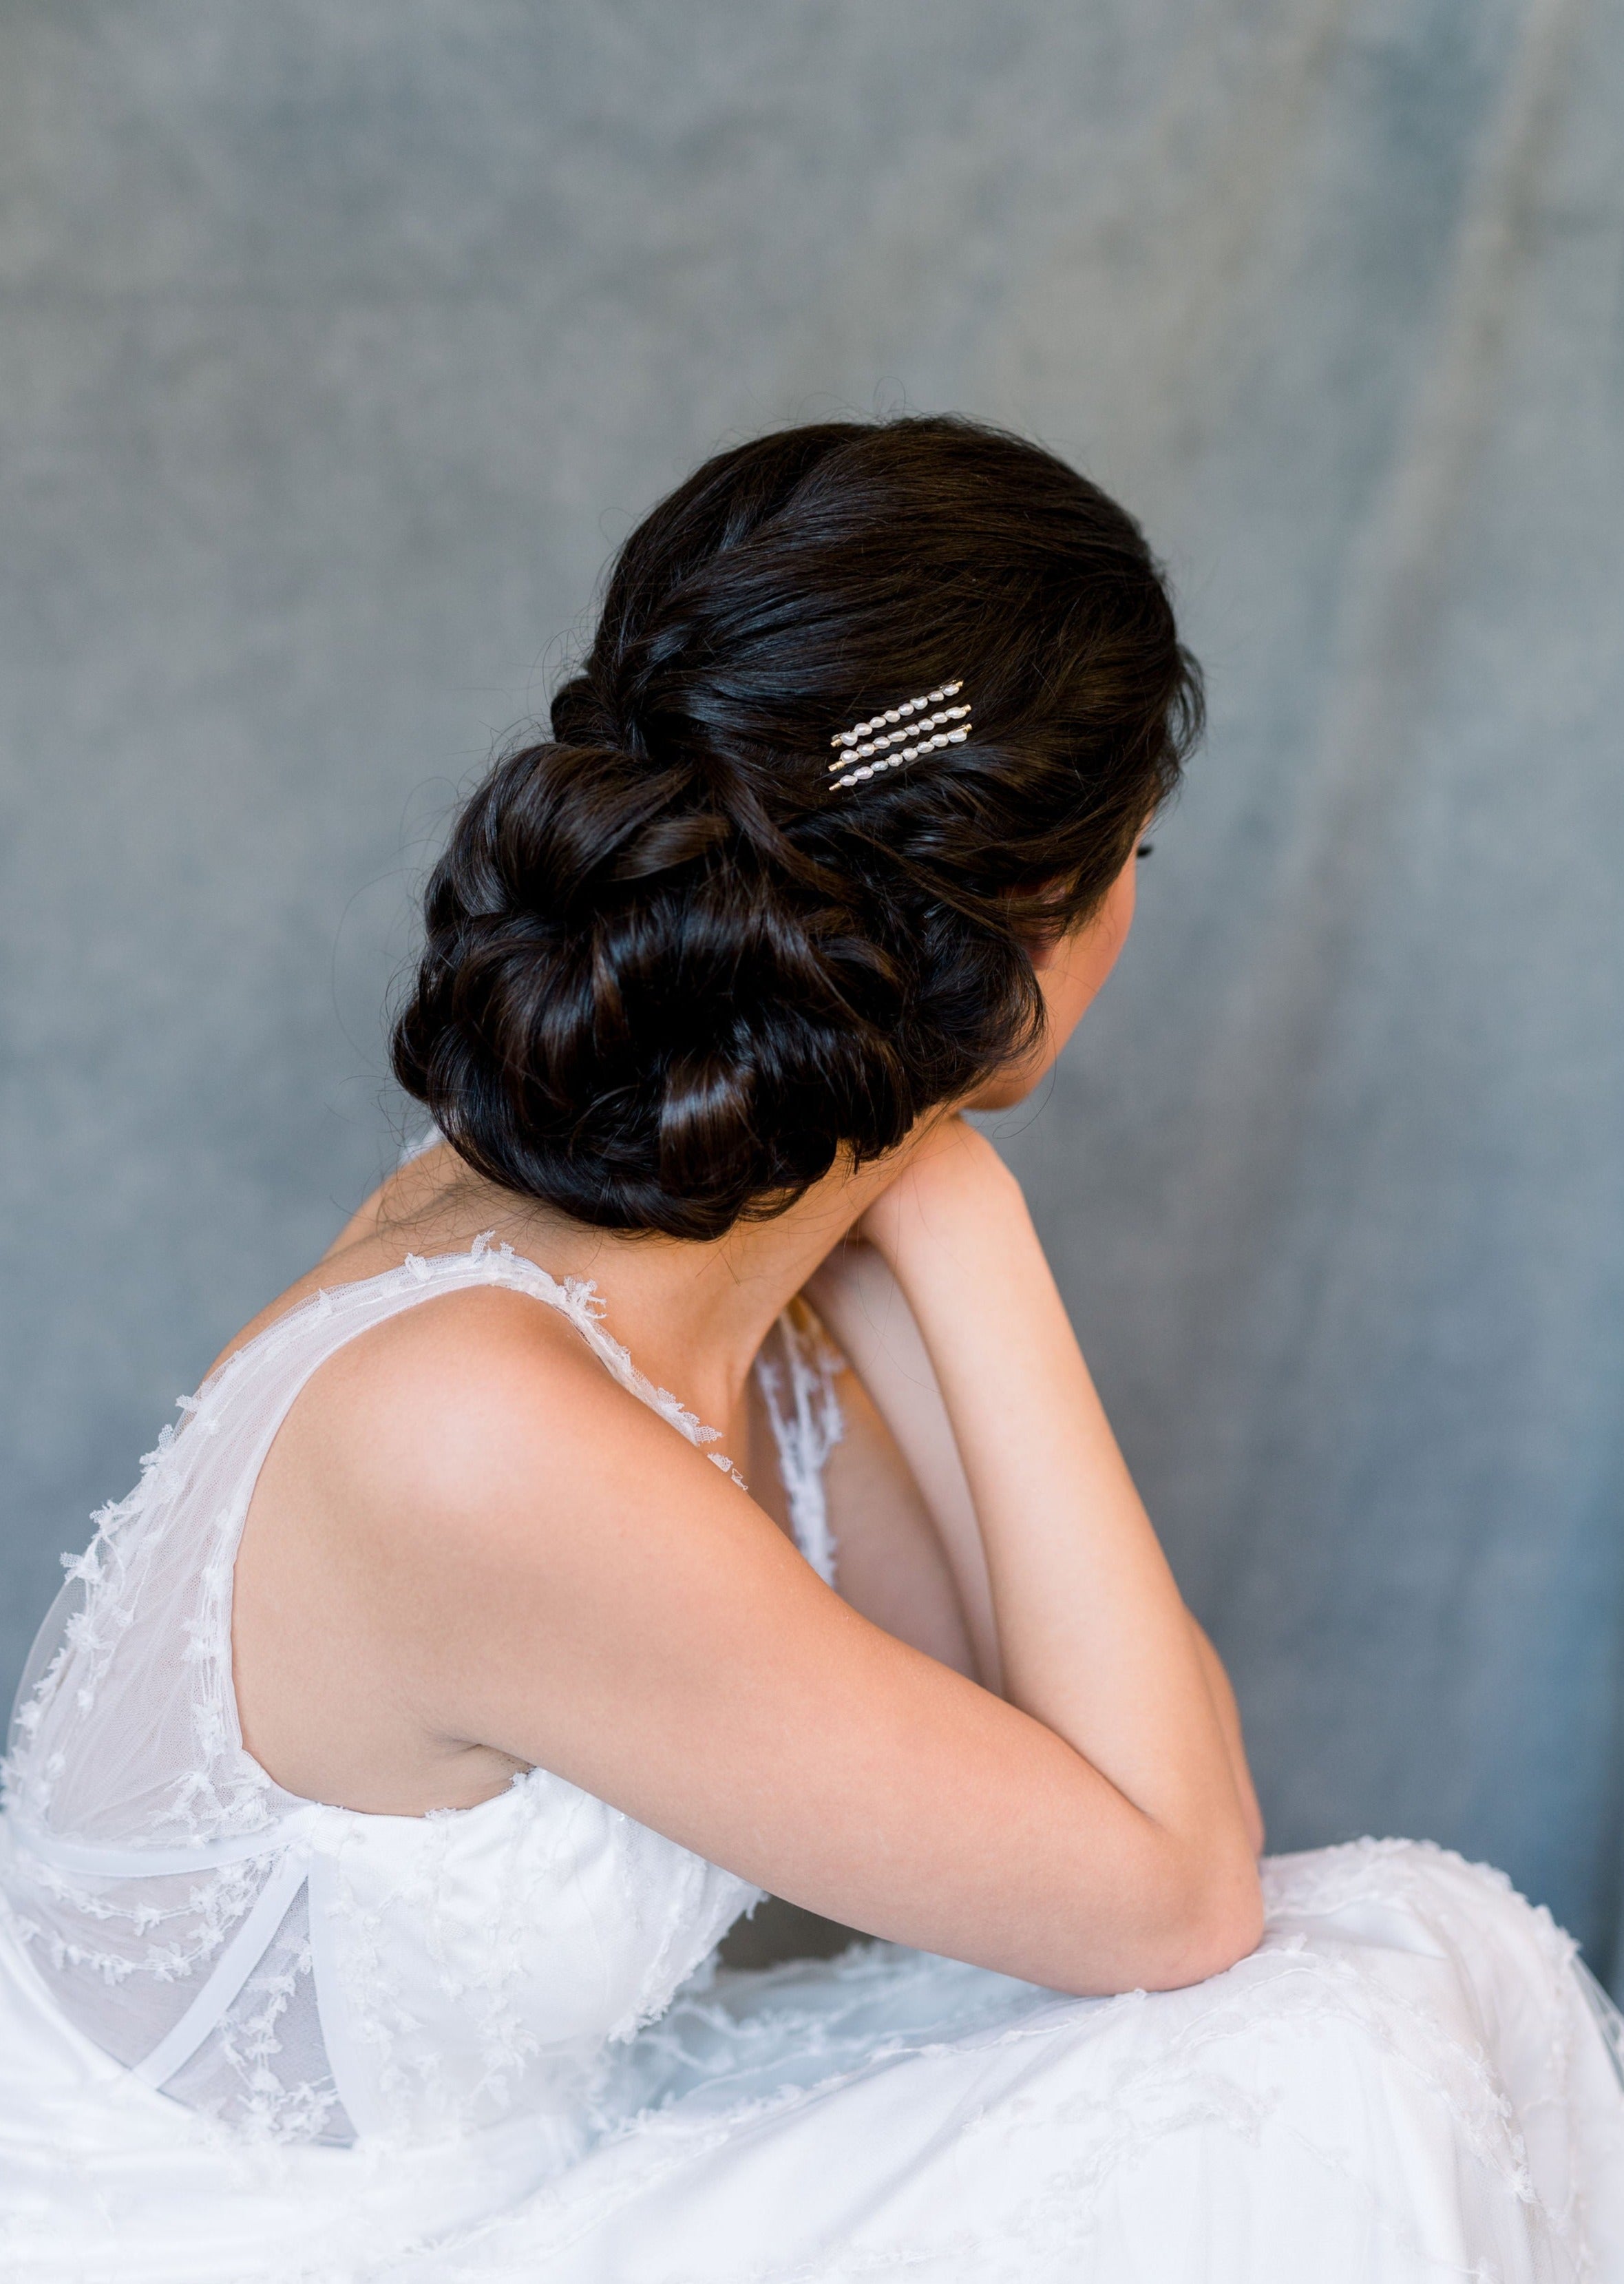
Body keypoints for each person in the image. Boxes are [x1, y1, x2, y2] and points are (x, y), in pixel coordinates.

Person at [2, 417, 1620, 2284]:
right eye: (1137, 849)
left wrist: (920, 1211)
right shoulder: (475, 1430)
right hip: (250, 2253)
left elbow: (1080, 1745)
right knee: (1324, 2061)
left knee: (1405, 1968)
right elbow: (1170, 1894)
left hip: (509, 2184)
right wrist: (968, 1208)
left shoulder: (694, 1241)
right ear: (1034, 914)